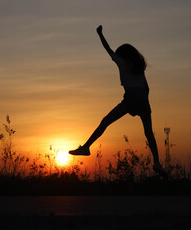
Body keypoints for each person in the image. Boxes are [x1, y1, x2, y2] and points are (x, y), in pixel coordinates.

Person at [69, 25, 167, 178]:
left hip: (130, 100)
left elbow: (107, 49)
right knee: (149, 133)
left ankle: (86, 147)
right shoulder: (139, 68)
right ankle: (157, 163)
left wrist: (100, 34)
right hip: (142, 101)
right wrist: (143, 103)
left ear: (123, 55)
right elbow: (147, 88)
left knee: (105, 121)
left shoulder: (122, 63)